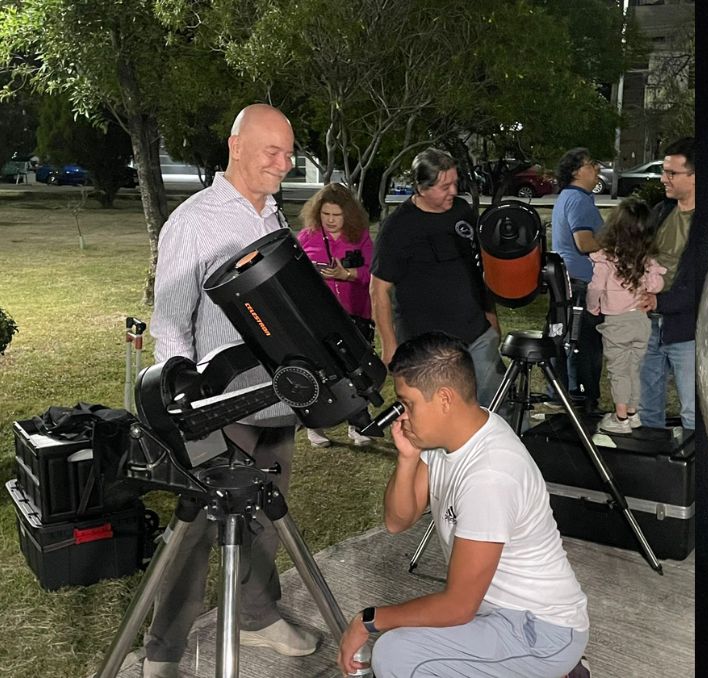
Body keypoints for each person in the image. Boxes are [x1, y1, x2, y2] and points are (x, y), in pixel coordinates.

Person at [145, 104, 318, 677]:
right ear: (236, 145)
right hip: (219, 403)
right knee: (198, 528)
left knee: (268, 515)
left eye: (289, 153)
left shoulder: (273, 215)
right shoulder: (193, 221)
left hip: (278, 394)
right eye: (273, 151)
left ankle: (258, 615)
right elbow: (170, 320)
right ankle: (164, 652)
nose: (285, 162)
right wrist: (182, 401)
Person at [337, 332, 590, 677]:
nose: (402, 415)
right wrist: (408, 459)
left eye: (407, 403)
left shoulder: (490, 474)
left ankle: (555, 670)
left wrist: (368, 621)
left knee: (397, 655)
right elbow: (399, 521)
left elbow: (457, 607)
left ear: (444, 399)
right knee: (405, 637)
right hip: (493, 610)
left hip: (539, 629)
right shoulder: (456, 436)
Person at [370, 148, 505, 408]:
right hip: (429, 347)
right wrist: (389, 344)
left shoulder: (462, 211)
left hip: (476, 333)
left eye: (455, 182)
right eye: (445, 186)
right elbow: (378, 290)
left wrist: (491, 317)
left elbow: (478, 268)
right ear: (421, 188)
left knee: (497, 407)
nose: (453, 191)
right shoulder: (398, 228)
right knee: (441, 415)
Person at [297, 182, 375, 447]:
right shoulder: (307, 237)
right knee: (320, 372)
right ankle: (316, 426)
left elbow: (374, 274)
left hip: (355, 314)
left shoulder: (360, 236)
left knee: (356, 370)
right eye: (326, 214)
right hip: (317, 316)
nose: (330, 220)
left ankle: (358, 424)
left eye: (336, 215)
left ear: (348, 214)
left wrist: (348, 275)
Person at [586, 199, 666, 435]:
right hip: (641, 321)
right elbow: (657, 284)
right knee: (634, 368)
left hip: (616, 323)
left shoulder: (606, 260)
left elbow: (595, 288)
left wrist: (593, 307)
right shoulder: (646, 260)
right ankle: (633, 413)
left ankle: (621, 419)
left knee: (618, 370)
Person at [637, 137, 696, 431]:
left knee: (692, 412)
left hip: (686, 329)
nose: (663, 178)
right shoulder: (661, 211)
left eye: (671, 173)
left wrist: (661, 302)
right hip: (648, 323)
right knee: (648, 407)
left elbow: (703, 284)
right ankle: (653, 467)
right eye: (664, 171)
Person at [550, 148, 605, 415]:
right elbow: (584, 242)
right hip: (582, 282)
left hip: (566, 280)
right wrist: (612, 240)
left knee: (564, 340)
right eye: (591, 164)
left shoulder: (566, 197)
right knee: (585, 345)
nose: (597, 169)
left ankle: (562, 394)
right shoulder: (581, 200)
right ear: (576, 171)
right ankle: (583, 399)